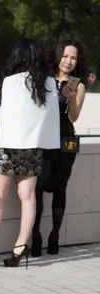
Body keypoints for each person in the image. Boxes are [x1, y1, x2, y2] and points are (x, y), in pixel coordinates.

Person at [0, 38, 60, 269]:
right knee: (28, 197)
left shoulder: (10, 82)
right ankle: (21, 247)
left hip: (8, 148)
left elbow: (4, 117)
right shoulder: (49, 84)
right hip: (33, 148)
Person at [32, 39, 87, 256]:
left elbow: (73, 117)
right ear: (58, 56)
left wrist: (72, 99)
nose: (68, 61)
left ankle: (54, 236)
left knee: (59, 188)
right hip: (44, 141)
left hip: (65, 142)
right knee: (36, 189)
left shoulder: (76, 83)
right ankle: (35, 236)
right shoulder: (44, 79)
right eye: (65, 56)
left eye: (73, 57)